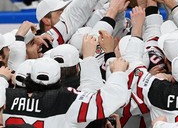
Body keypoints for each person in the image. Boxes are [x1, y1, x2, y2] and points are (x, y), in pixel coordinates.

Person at [0, 35, 130, 128]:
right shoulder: (66, 100)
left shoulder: (8, 97)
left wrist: (3, 80)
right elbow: (110, 99)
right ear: (59, 79)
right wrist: (118, 72)